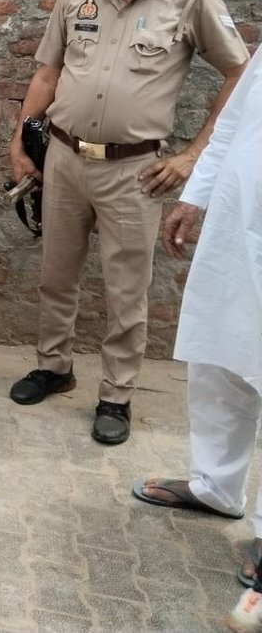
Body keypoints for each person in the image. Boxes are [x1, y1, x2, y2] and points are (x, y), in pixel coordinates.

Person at [7, 0, 249, 445]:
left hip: (134, 172)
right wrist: (21, 137)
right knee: (56, 276)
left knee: (125, 291)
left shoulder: (191, 0)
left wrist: (192, 156)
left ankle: (116, 395)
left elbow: (241, 74)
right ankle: (54, 366)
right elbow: (47, 74)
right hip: (65, 159)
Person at [127, 46, 262, 624]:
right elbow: (235, 120)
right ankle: (216, 486)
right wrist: (196, 195)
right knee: (221, 360)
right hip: (239, 223)